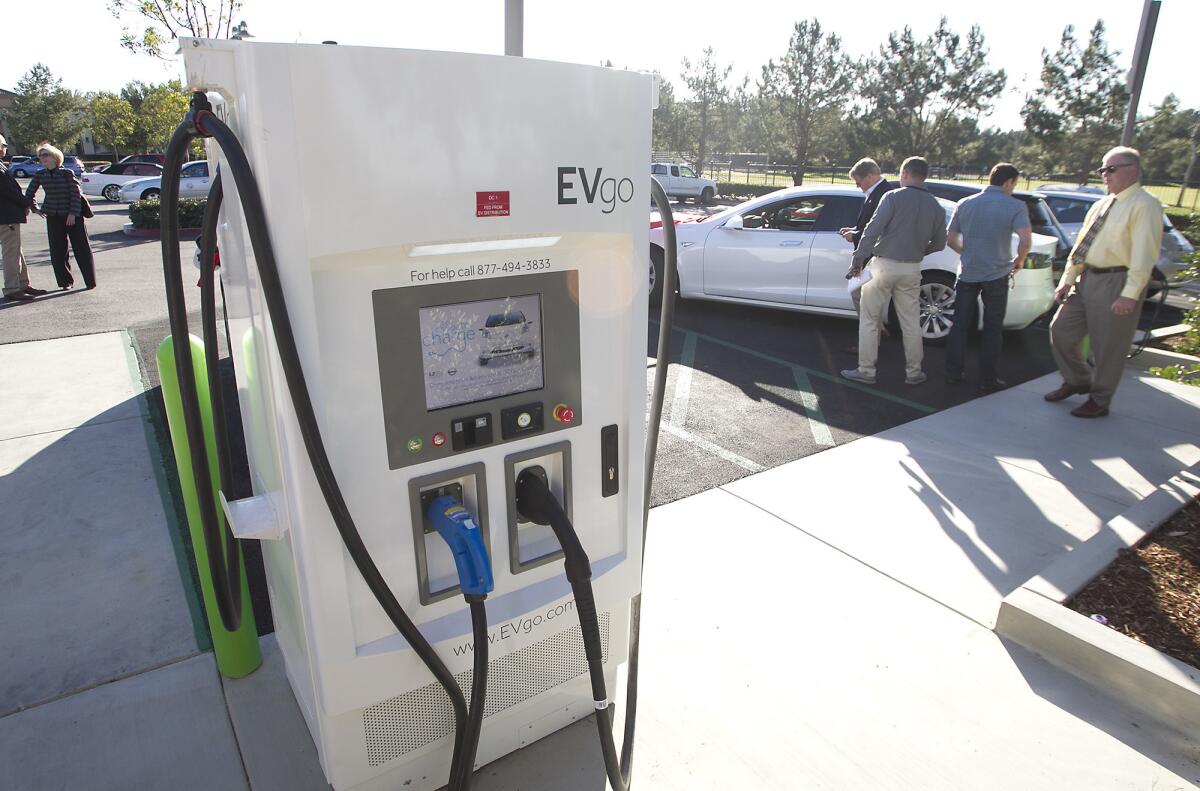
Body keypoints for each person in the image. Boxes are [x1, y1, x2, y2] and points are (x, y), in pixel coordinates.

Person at [1044, 146, 1162, 418]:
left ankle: (1100, 399)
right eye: (1102, 169)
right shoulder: (1101, 204)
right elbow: (1082, 247)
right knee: (1060, 330)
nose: (1104, 175)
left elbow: (1144, 254)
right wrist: (1068, 280)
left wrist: (1130, 294)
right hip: (1086, 280)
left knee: (1108, 346)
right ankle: (1078, 380)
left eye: (1111, 169)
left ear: (1133, 171)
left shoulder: (1145, 205)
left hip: (1117, 281)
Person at [841, 156, 946, 386]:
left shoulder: (892, 197)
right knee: (910, 322)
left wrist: (857, 261)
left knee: (869, 319)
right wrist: (917, 252)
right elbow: (939, 243)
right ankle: (914, 372)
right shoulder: (936, 205)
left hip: (882, 265)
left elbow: (871, 231)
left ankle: (866, 370)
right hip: (912, 268)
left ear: (906, 173)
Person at [944, 162, 1032, 392]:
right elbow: (1025, 240)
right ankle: (987, 378)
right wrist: (1018, 260)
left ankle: (953, 372)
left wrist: (967, 253)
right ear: (1008, 182)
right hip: (997, 273)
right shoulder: (1016, 206)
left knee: (960, 324)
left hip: (968, 272)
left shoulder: (965, 203)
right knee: (993, 327)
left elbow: (950, 238)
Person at [839, 157, 896, 345]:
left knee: (860, 295)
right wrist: (855, 231)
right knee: (862, 295)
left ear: (870, 176)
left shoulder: (883, 195)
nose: (857, 186)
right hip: (870, 255)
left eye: (859, 181)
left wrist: (855, 237)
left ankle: (871, 339)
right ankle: (877, 329)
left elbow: (880, 229)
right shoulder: (879, 192)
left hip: (871, 257)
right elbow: (870, 225)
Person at [25, 142, 96, 290]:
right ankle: (65, 282)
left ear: (54, 156)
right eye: (40, 156)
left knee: (81, 249)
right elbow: (29, 193)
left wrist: (73, 213)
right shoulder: (40, 174)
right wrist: (35, 208)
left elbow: (76, 195)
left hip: (72, 216)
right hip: (53, 216)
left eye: (45, 155)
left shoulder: (66, 173)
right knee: (57, 251)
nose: (42, 158)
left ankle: (90, 282)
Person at [0, 135, 46, 302]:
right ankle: (12, 288)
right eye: (4, 145)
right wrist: (26, 203)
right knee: (11, 253)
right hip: (6, 217)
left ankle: (22, 284)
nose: (5, 149)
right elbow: (8, 192)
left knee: (16, 251)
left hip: (8, 216)